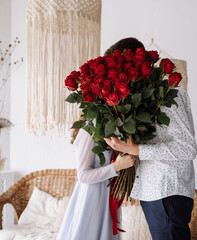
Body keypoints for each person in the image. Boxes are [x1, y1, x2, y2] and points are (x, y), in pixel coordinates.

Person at [104, 38, 197, 240]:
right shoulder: (139, 98)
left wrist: (137, 150)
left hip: (167, 190)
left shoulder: (171, 94)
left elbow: (188, 148)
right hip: (152, 191)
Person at [57, 38, 144, 240]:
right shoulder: (90, 126)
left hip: (107, 197)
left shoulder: (113, 124)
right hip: (90, 201)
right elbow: (83, 175)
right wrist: (117, 167)